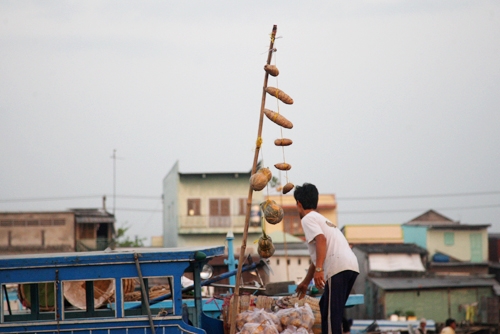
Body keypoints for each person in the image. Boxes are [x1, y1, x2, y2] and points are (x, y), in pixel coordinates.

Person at [294, 183, 359, 334]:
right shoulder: (321, 219)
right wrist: (305, 282)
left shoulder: (308, 218)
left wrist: (319, 270)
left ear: (299, 204)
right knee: (326, 307)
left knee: (331, 316)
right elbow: (317, 257)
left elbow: (321, 240)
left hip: (338, 267)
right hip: (351, 266)